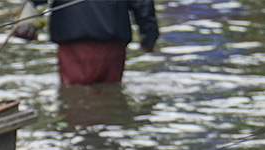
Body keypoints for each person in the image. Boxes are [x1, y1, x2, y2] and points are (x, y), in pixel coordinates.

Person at [12, 0, 158, 86]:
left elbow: (35, 2)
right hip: (112, 42)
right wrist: (149, 37)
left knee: (74, 95)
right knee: (110, 91)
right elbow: (143, 4)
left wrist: (25, 22)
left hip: (73, 43)